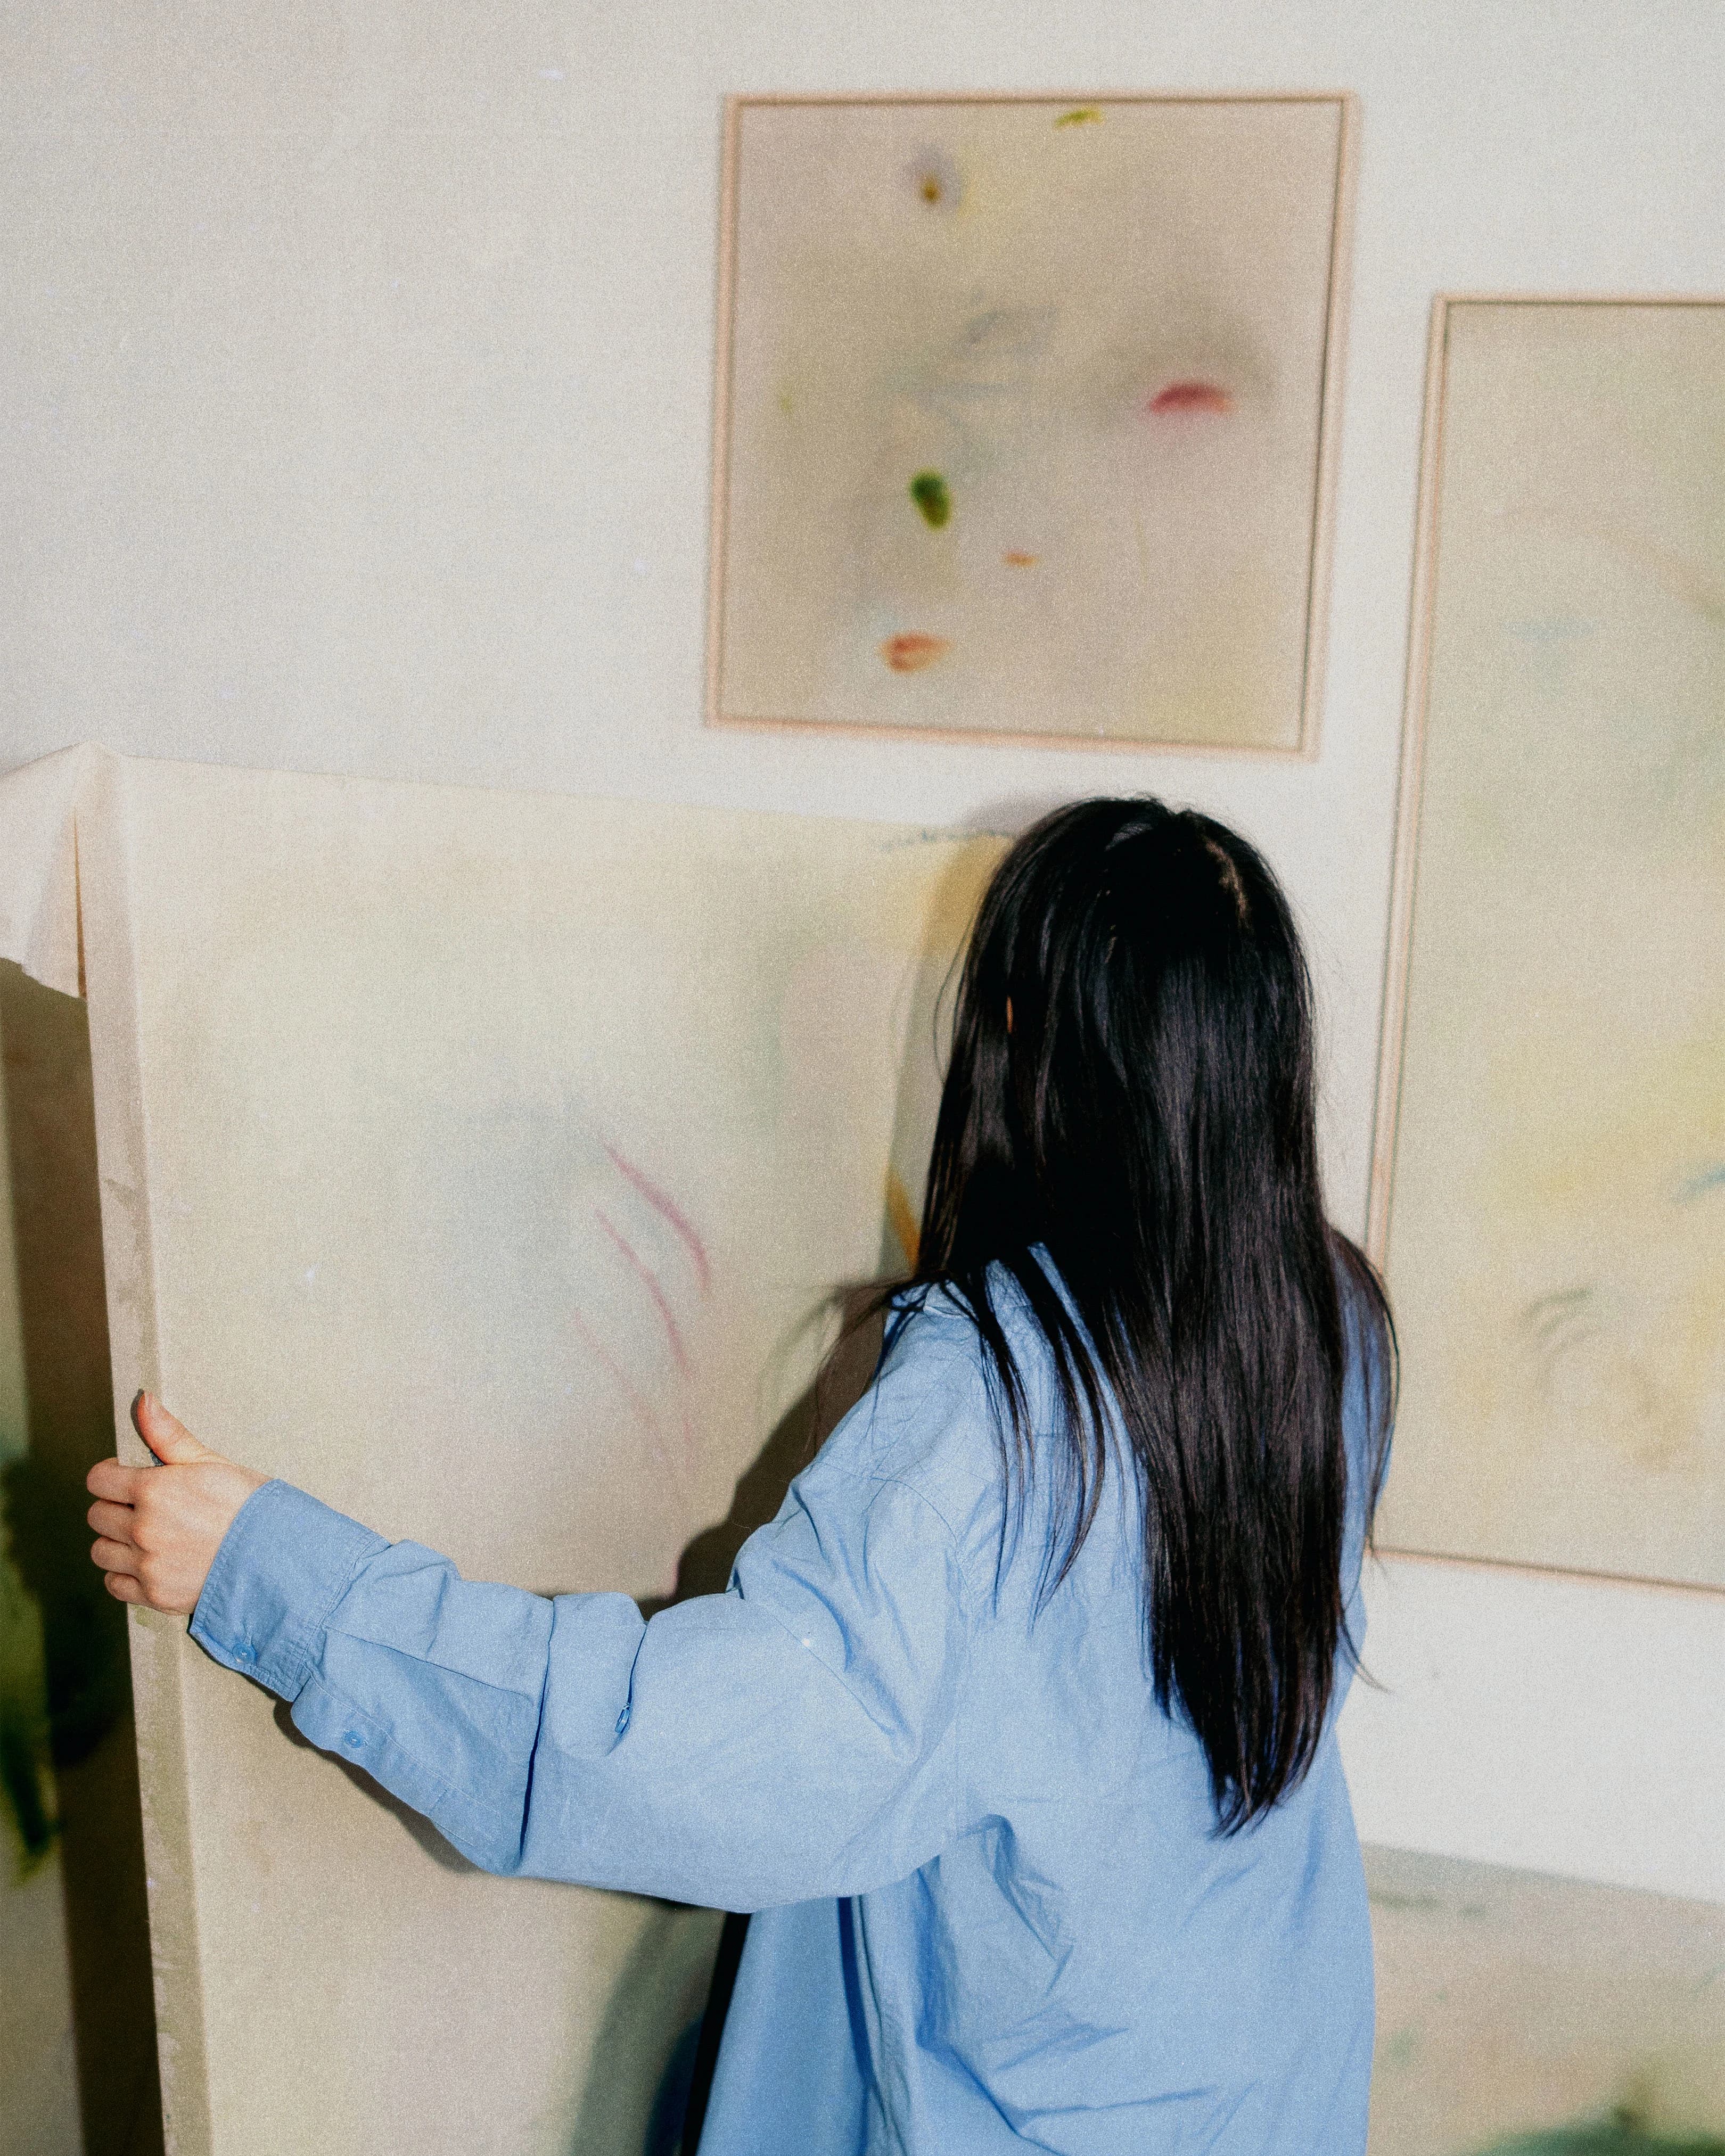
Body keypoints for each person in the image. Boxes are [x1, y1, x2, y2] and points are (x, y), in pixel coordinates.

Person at [86, 796, 1395, 2154]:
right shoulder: (1324, 1324)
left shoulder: (992, 1411)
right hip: (1276, 2088)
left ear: (1020, 1039)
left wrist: (275, 1575)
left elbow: (667, 1756)